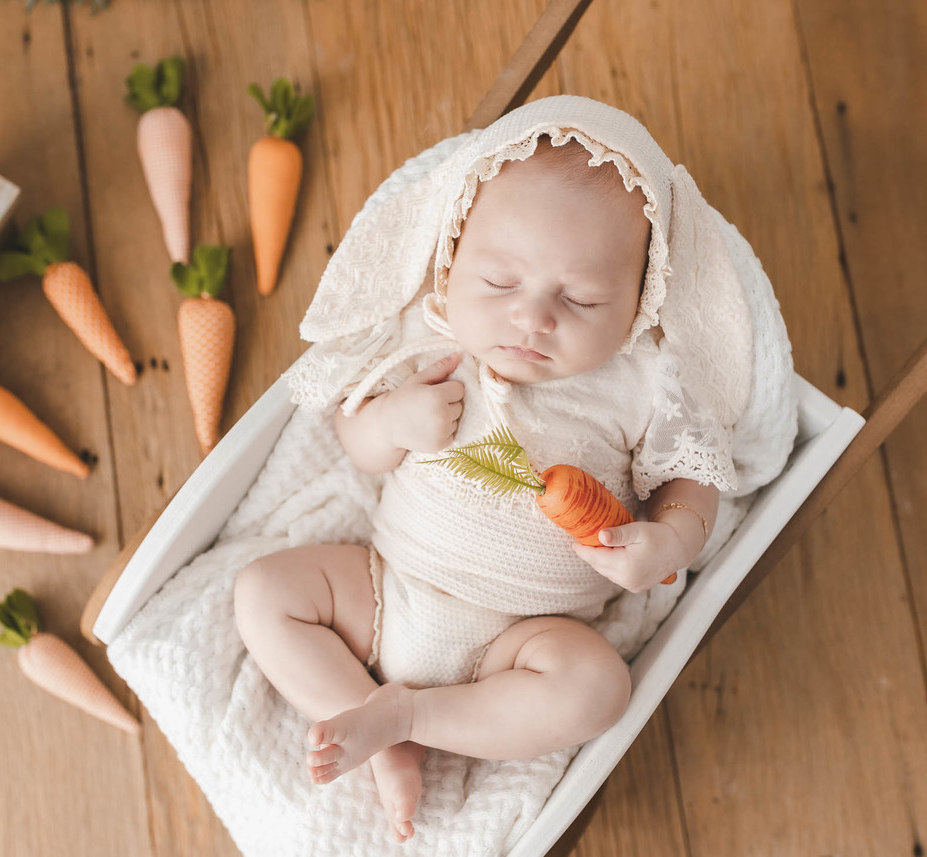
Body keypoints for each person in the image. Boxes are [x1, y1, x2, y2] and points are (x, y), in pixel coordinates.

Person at [233, 97, 792, 844]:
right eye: (499, 282)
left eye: (583, 298)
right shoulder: (435, 338)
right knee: (263, 591)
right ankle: (373, 728)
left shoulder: (641, 383)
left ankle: (411, 718)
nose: (532, 318)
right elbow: (356, 442)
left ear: (638, 305)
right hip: (383, 590)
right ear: (454, 255)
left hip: (523, 641)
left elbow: (693, 484)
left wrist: (668, 542)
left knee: (600, 688)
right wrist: (392, 421)